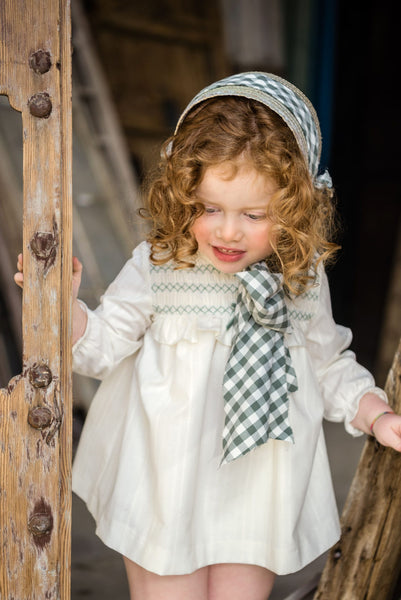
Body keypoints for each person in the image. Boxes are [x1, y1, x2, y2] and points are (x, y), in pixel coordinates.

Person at [15, 72, 401, 600]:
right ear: (182, 193)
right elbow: (101, 349)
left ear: (294, 210)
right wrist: (65, 306)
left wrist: (374, 412)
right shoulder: (161, 267)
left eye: (254, 215)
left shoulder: (301, 279)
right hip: (165, 487)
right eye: (208, 207)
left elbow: (328, 362)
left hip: (255, 493)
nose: (226, 231)